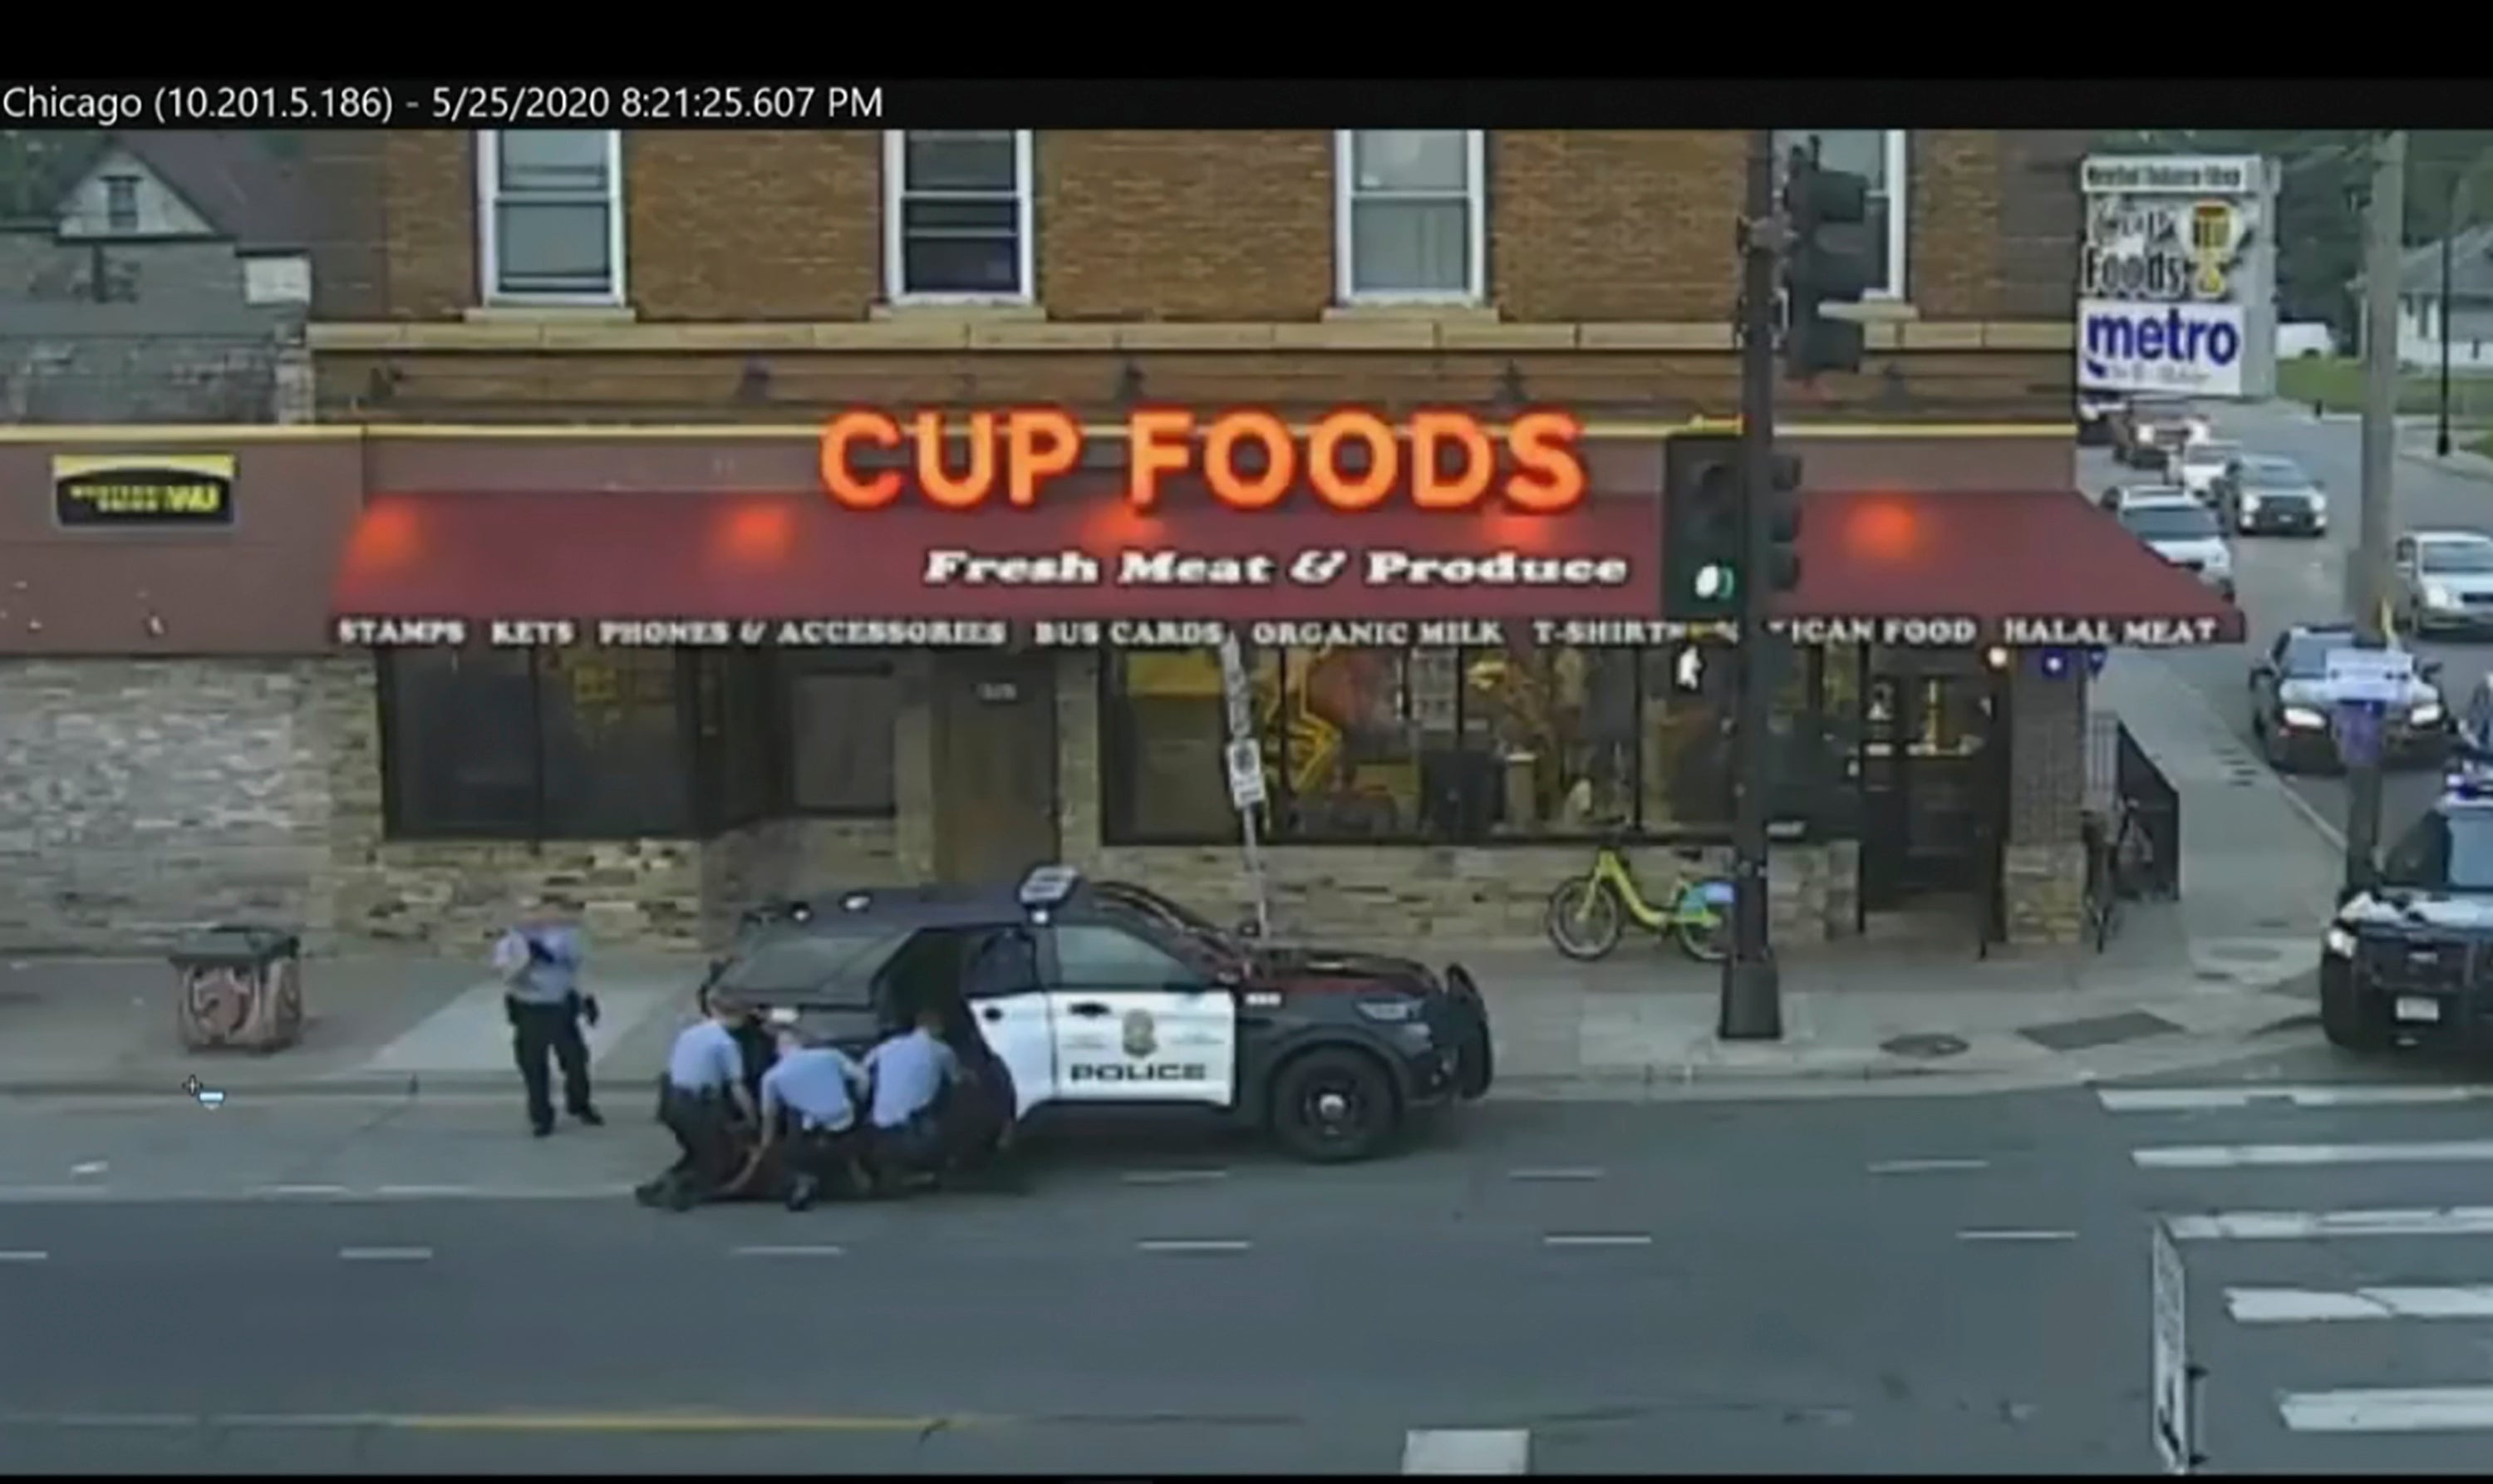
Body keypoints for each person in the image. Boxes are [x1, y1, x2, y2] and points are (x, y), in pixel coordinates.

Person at [491, 896, 602, 1138]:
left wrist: (588, 999)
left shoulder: (567, 937)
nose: (534, 917)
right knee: (534, 1064)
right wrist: (526, 960)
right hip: (530, 1007)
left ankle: (579, 1103)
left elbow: (579, 969)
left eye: (538, 911)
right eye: (527, 913)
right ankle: (542, 1116)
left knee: (575, 1060)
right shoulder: (511, 943)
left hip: (561, 1004)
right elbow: (506, 976)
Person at [641, 995, 759, 1211]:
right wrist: (751, 1117)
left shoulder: (690, 1034)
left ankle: (660, 1184)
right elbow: (737, 1086)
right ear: (741, 1017)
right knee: (714, 1156)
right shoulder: (726, 1043)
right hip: (699, 1104)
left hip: (672, 1100)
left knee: (696, 1150)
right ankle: (676, 1191)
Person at [754, 1025, 870, 1211]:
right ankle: (857, 1173)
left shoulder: (772, 1077)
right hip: (846, 1125)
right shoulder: (830, 1055)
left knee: (793, 1110)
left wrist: (764, 1147)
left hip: (807, 1138)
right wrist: (859, 1104)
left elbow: (769, 1116)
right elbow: (862, 1077)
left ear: (777, 1049)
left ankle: (802, 1178)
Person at [861, 1005, 963, 1191]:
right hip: (913, 1134)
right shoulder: (941, 1050)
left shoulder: (887, 1047)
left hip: (876, 1129)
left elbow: (864, 1071)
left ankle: (888, 1170)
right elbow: (957, 1080)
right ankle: (929, 1168)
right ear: (939, 1028)